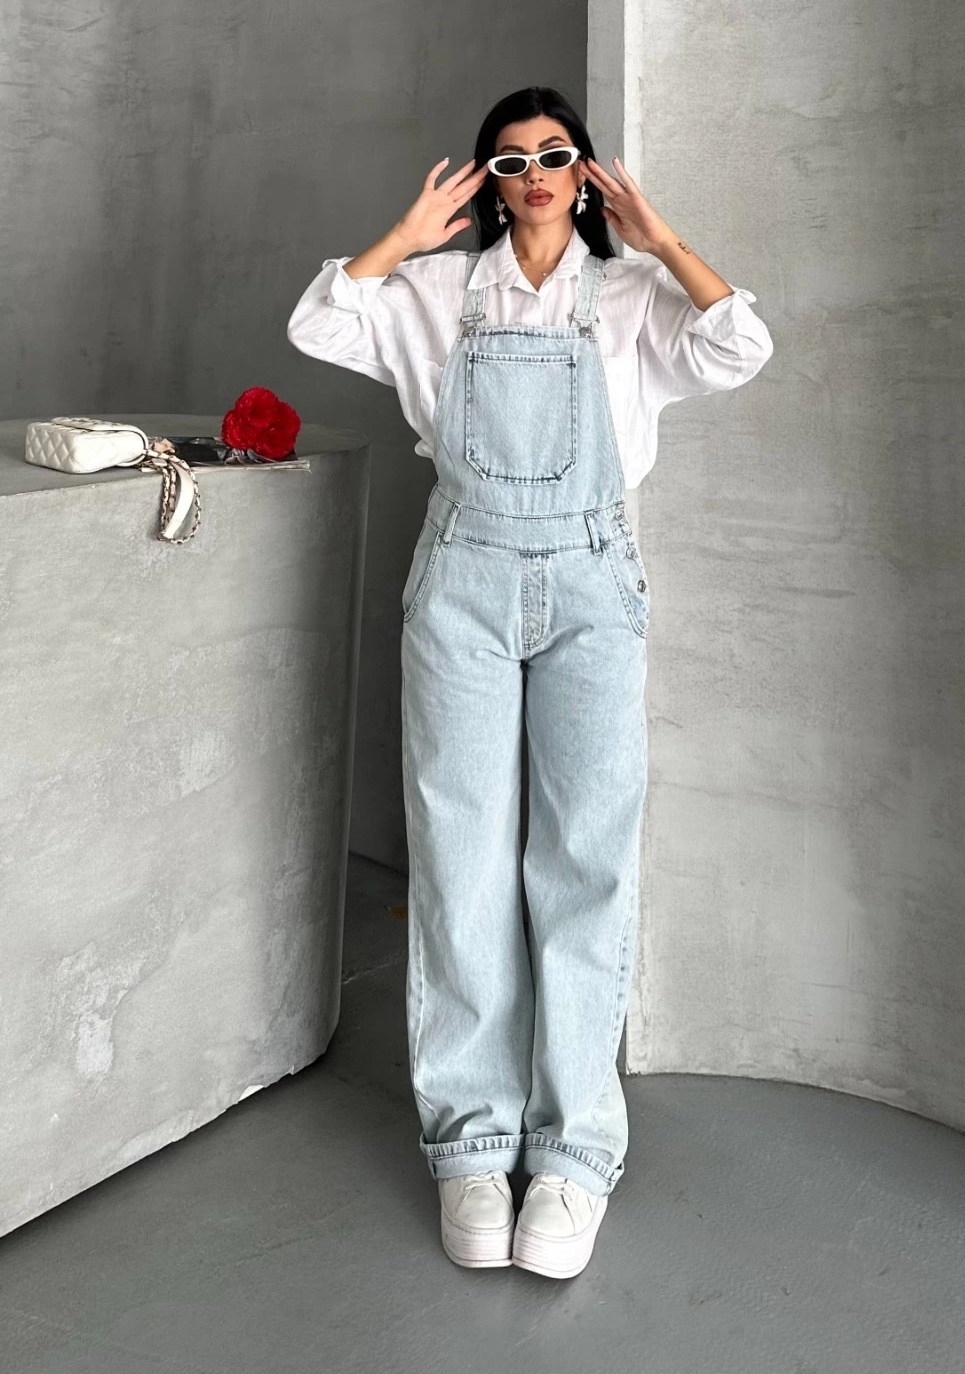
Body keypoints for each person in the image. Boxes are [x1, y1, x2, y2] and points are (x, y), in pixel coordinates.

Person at [287, 85, 773, 1279]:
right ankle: (470, 1143)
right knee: (460, 858)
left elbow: (740, 345)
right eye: (510, 160)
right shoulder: (441, 290)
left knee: (582, 861)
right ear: (489, 182)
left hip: (595, 588)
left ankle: (570, 1154)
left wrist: (660, 237)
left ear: (585, 172)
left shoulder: (633, 293)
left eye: (556, 154)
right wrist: (408, 233)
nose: (536, 172)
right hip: (461, 581)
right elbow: (321, 323)